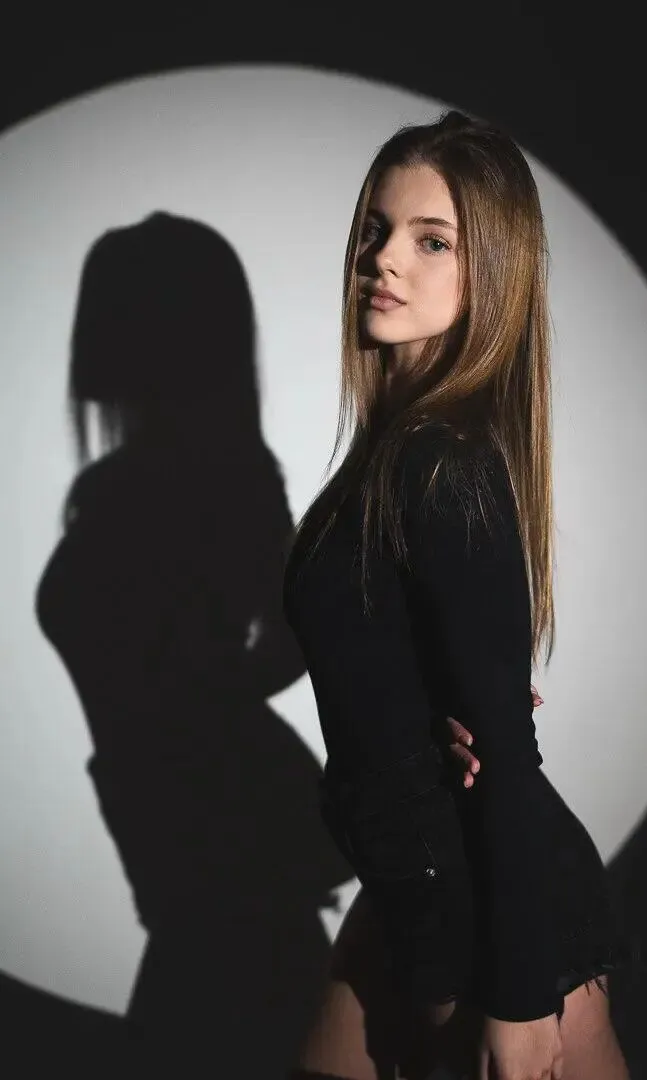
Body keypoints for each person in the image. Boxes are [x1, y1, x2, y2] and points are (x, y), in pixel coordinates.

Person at [283, 111, 631, 1079]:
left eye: (432, 241)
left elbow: (506, 755)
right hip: (405, 874)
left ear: (492, 275)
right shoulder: (390, 452)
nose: (384, 260)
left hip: (476, 902)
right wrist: (426, 691)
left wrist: (517, 996)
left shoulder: (443, 464)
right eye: (376, 230)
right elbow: (354, 635)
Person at [34, 212, 354, 1074]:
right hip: (196, 821)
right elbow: (287, 639)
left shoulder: (178, 482)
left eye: (115, 312)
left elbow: (292, 634)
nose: (88, 339)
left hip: (207, 825)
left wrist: (195, 701)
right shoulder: (180, 477)